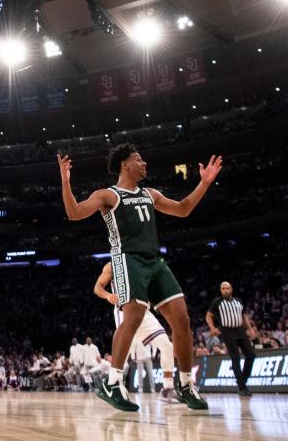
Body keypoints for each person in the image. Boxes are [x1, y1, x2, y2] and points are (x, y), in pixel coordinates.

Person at [59, 144, 222, 411]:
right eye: (138, 159)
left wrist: (204, 183)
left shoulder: (150, 194)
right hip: (127, 259)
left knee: (181, 318)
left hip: (154, 261)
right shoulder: (108, 195)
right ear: (125, 165)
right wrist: (66, 183)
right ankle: (112, 383)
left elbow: (183, 209)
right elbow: (74, 213)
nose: (144, 163)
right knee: (132, 317)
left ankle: (183, 384)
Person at [94, 262, 178, 402]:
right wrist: (108, 296)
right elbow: (97, 287)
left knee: (167, 346)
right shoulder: (113, 264)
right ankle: (113, 385)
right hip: (125, 311)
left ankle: (167, 389)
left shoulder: (146, 262)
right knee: (123, 356)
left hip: (145, 312)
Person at [206, 281, 256, 397]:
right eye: (223, 288)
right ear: (220, 290)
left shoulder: (238, 301)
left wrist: (250, 329)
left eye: (227, 288)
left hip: (240, 330)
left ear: (231, 289)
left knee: (251, 355)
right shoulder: (217, 302)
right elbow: (208, 316)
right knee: (235, 358)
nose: (225, 290)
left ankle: (242, 379)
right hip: (227, 332)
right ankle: (242, 388)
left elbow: (243, 316)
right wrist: (212, 328)